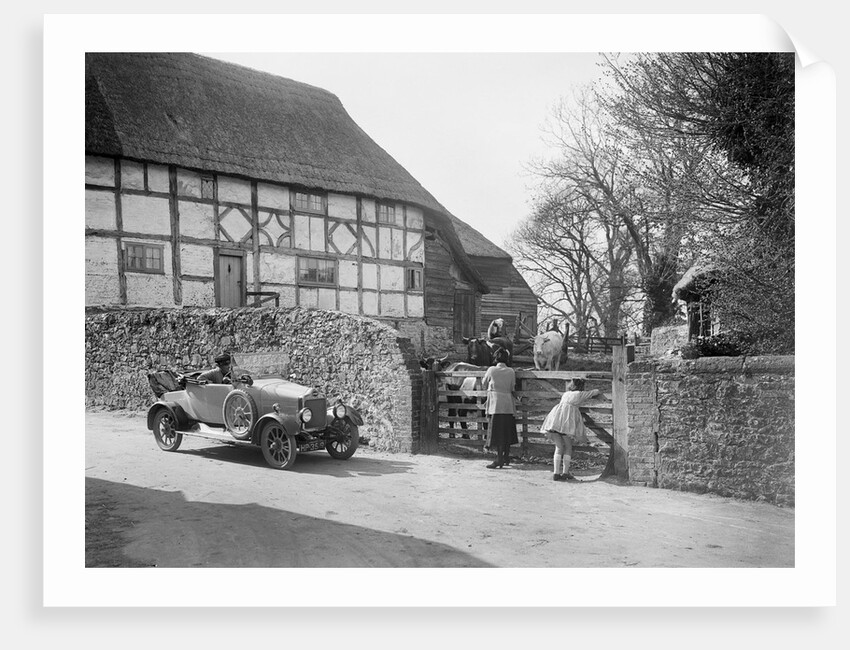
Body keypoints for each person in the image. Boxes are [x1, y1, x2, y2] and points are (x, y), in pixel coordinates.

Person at [541, 378, 601, 481]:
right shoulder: (580, 394)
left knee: (559, 446)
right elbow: (596, 392)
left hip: (556, 419)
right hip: (567, 423)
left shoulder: (566, 394)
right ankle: (565, 472)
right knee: (568, 446)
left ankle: (556, 472)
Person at [481, 347, 519, 469]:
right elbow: (513, 388)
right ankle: (506, 456)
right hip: (508, 405)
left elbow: (483, 383)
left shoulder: (491, 370)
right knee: (506, 431)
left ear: (496, 358)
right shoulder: (511, 371)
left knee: (497, 433)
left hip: (496, 405)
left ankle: (499, 459)